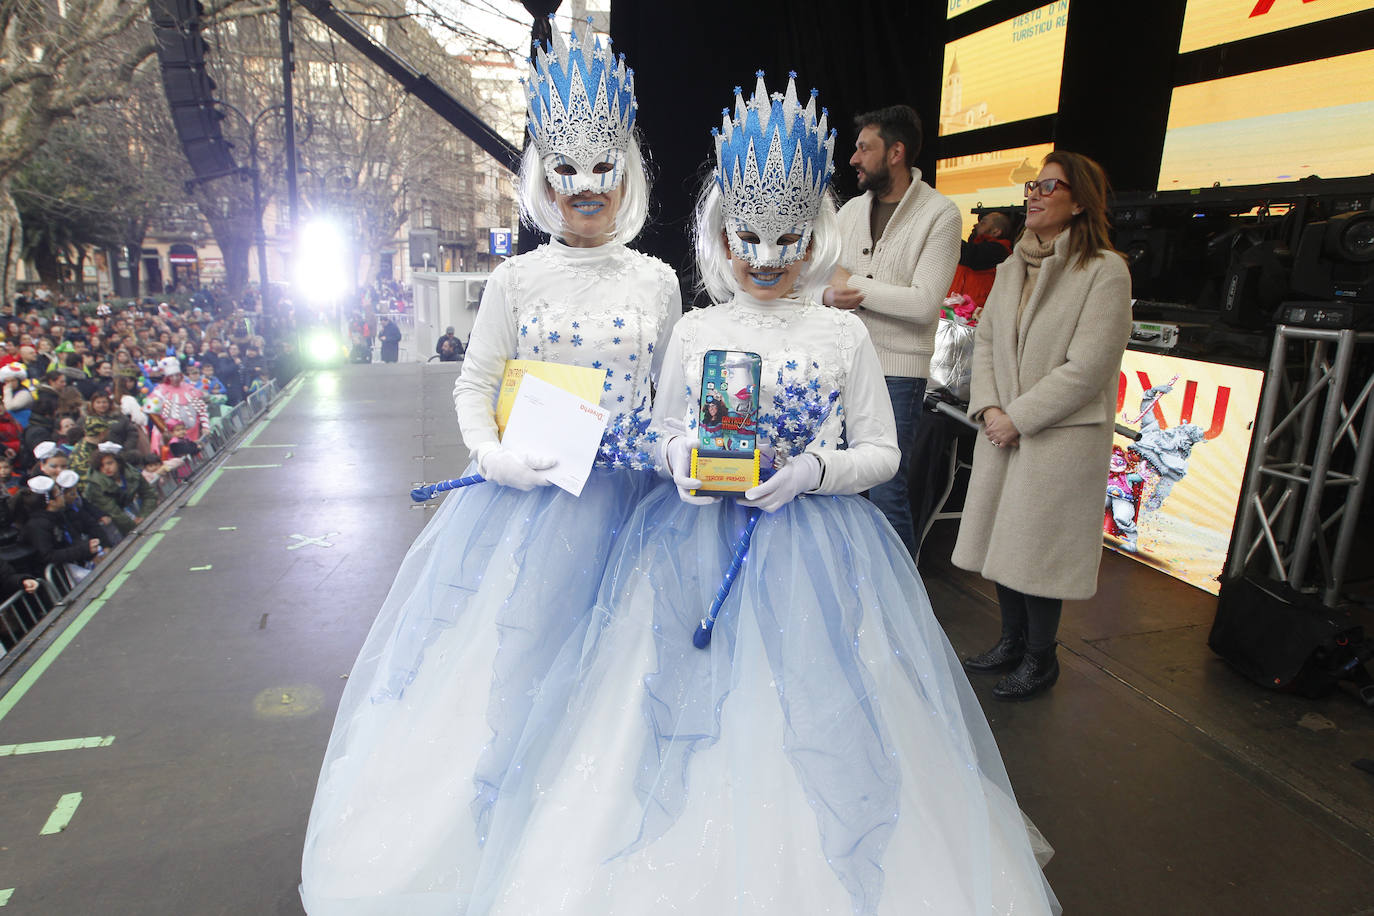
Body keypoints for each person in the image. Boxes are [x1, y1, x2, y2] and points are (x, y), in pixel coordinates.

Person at [472, 74, 1056, 916]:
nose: (769, 259)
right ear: (722, 235)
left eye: (787, 238)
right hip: (690, 543)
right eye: (749, 236)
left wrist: (816, 472)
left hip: (811, 551)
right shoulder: (701, 327)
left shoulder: (844, 331)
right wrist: (680, 461)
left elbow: (885, 453)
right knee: (679, 691)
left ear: (814, 235)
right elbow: (668, 424)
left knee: (813, 701)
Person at [300, 25, 680, 913]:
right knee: (528, 665)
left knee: (621, 680)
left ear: (625, 173)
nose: (585, 190)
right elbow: (475, 384)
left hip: (636, 507)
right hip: (535, 503)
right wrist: (495, 455)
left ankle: (590, 846)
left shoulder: (659, 281)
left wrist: (672, 452)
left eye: (602, 170)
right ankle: (504, 834)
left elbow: (670, 403)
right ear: (543, 176)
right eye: (566, 171)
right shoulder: (515, 280)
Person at [952, 151, 1133, 700]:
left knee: (1039, 550)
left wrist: (1018, 418)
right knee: (1004, 542)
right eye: (1032, 185)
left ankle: (1041, 658)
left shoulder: (1104, 271)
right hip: (1004, 429)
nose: (1033, 195)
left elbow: (1090, 367)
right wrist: (988, 408)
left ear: (1079, 201)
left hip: (1058, 436)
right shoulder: (1011, 267)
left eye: (1048, 186)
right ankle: (1011, 642)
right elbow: (985, 342)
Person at [823, 104, 961, 559]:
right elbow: (817, 286)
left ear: (896, 152)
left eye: (864, 148)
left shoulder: (940, 214)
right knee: (837, 482)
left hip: (898, 374)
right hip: (839, 367)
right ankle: (846, 582)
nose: (853, 159)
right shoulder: (847, 215)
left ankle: (899, 605)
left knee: (886, 489)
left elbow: (923, 304)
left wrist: (853, 286)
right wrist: (829, 295)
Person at [948, 210, 1014, 310]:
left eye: (983, 223)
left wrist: (944, 234)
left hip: (975, 315)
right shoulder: (975, 248)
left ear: (996, 232)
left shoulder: (999, 251)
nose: (975, 225)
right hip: (953, 310)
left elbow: (970, 254)